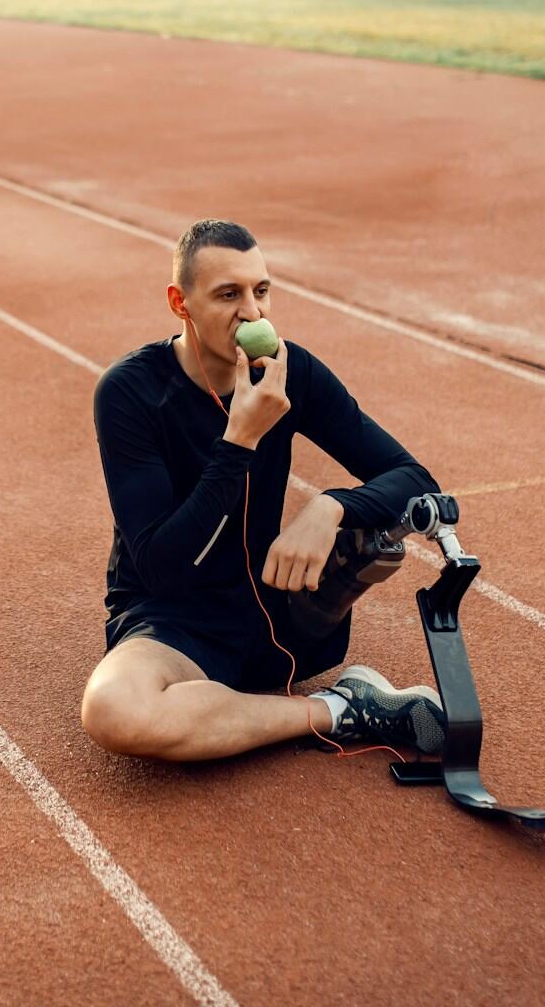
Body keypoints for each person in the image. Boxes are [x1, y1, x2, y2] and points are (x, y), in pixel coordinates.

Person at [81, 219, 447, 762]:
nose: (253, 313)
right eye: (228, 294)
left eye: (261, 291)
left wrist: (331, 506)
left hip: (277, 614)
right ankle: (343, 709)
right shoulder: (130, 392)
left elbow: (416, 479)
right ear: (180, 303)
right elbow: (161, 568)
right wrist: (240, 441)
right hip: (173, 623)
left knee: (375, 519)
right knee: (113, 709)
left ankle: (233, 709)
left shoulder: (289, 370)